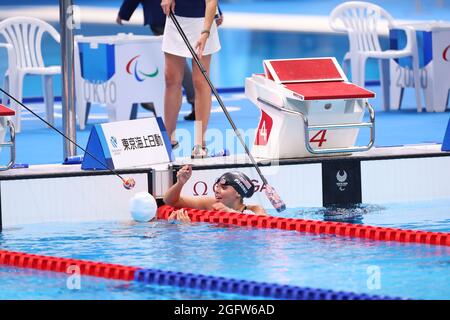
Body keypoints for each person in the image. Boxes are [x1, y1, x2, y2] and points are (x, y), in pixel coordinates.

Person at [116, 0, 196, 124]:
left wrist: (123, 13)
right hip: (185, 14)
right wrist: (216, 11)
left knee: (175, 61)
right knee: (177, 59)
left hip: (164, 14)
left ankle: (194, 99)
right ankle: (196, 100)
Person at [160, 0, 221, 158]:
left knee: (200, 81)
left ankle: (200, 143)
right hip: (176, 19)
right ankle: (169, 138)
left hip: (202, 23)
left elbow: (211, 2)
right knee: (171, 79)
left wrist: (205, 32)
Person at [163, 165, 268, 218]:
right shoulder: (212, 204)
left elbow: (263, 222)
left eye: (223, 188)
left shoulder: (255, 209)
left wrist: (229, 212)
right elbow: (170, 201)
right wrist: (180, 183)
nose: (217, 191)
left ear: (238, 193)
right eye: (217, 187)